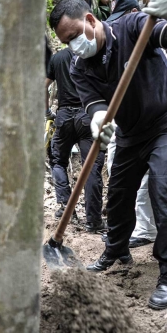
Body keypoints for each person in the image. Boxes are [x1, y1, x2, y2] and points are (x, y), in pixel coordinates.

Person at [50, 0, 167, 310]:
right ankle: (117, 248)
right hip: (131, 131)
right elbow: (93, 103)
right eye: (66, 42)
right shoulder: (79, 66)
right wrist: (100, 118)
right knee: (118, 191)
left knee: (163, 183)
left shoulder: (133, 26)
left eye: (75, 35)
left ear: (90, 19)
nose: (73, 45)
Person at [105, 0, 157, 248]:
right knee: (120, 178)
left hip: (155, 122)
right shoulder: (114, 43)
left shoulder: (152, 38)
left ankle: (147, 228)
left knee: (150, 179)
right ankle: (122, 237)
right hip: (123, 122)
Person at [46, 48, 106, 232]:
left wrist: (47, 111)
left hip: (64, 116)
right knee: (92, 165)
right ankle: (94, 220)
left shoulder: (57, 58)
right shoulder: (93, 53)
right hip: (87, 113)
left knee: (58, 162)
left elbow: (43, 86)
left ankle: (66, 208)